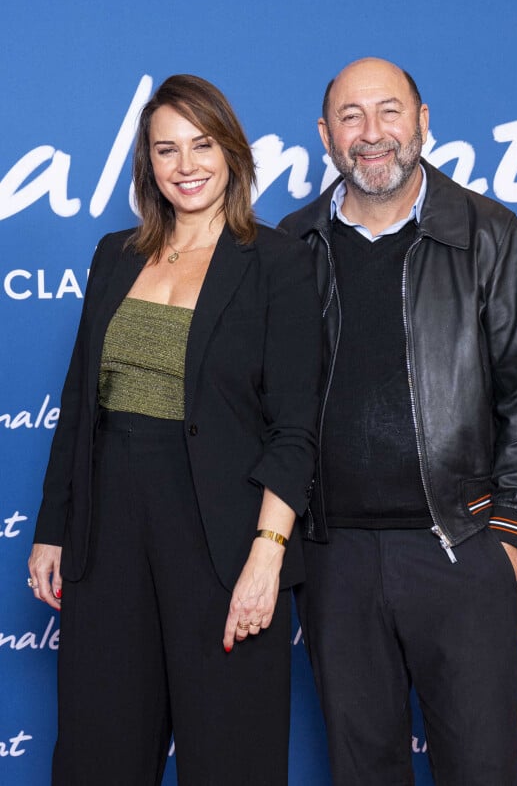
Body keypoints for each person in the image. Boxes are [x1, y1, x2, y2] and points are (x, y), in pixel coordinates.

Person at [27, 74, 321, 786]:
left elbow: (295, 427)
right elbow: (80, 405)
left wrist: (266, 555)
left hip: (222, 539)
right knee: (99, 752)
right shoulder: (113, 254)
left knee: (231, 756)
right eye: (167, 149)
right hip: (110, 538)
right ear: (148, 163)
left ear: (232, 152)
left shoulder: (278, 261)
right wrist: (53, 527)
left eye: (202, 144)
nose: (185, 165)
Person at [279, 57, 517, 786]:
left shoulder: (487, 232)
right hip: (335, 557)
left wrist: (508, 537)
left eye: (389, 112)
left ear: (423, 121)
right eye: (350, 116)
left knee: (482, 766)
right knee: (362, 768)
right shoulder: (293, 244)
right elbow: (271, 402)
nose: (372, 134)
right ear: (325, 134)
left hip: (459, 546)